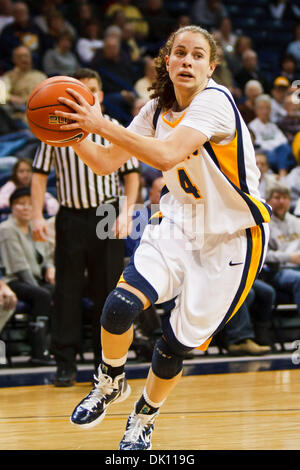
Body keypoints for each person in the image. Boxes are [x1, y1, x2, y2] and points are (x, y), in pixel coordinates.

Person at [54, 25, 271, 450]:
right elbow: (103, 162)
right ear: (167, 61)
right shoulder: (153, 109)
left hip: (233, 237)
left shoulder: (216, 102)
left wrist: (101, 122)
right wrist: (74, 133)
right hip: (179, 221)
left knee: (173, 345)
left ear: (211, 67)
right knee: (119, 306)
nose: (187, 61)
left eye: (196, 55)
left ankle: (144, 417)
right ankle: (110, 380)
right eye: (179, 53)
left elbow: (167, 154)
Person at [31, 68, 140, 387]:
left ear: (99, 96)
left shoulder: (115, 128)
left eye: (90, 90)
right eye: (79, 90)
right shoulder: (55, 124)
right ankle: (64, 363)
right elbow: (39, 174)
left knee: (108, 291)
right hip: (71, 216)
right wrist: (37, 215)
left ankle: (103, 366)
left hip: (108, 214)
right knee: (66, 291)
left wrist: (127, 212)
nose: (85, 95)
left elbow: (131, 174)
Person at [0, 187, 55, 364]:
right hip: (13, 280)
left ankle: (53, 347)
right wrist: (39, 288)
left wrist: (50, 267)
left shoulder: (36, 226)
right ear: (12, 207)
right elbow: (19, 267)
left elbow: (46, 255)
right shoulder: (7, 229)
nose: (25, 208)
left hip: (35, 279)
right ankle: (38, 352)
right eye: (20, 204)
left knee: (60, 292)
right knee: (42, 295)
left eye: (29, 204)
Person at [265, 183, 300, 317]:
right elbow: (264, 256)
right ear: (267, 201)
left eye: (285, 198)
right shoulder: (265, 225)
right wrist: (289, 257)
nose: (281, 201)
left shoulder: (297, 222)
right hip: (277, 271)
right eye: (277, 197)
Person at [248, 94, 295, 176]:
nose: (265, 111)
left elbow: (283, 140)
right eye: (261, 108)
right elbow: (259, 144)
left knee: (286, 148)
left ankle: (282, 172)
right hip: (263, 154)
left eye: (267, 108)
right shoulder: (252, 126)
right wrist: (274, 144)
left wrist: (272, 145)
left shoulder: (273, 125)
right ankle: (282, 173)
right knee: (281, 154)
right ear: (256, 110)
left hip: (277, 154)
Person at [1, 45, 46, 126]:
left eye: (26, 56)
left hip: (43, 115)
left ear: (31, 58)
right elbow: (1, 95)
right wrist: (10, 97)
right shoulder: (9, 76)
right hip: (20, 117)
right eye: (19, 57)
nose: (23, 59)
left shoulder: (41, 76)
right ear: (14, 60)